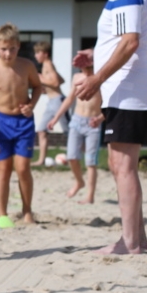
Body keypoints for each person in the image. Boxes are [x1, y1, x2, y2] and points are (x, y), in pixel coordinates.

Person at [73, 0, 147, 255]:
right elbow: (129, 40)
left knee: (123, 166)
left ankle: (130, 243)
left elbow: (130, 42)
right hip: (128, 89)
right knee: (120, 164)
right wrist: (95, 54)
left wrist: (96, 78)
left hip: (129, 89)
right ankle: (139, 239)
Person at [0, 23, 43, 223]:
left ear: (18, 47)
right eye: (3, 49)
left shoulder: (27, 66)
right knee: (3, 169)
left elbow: (38, 87)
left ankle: (27, 210)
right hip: (1, 123)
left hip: (23, 122)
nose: (8, 53)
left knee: (23, 168)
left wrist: (31, 104)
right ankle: (2, 213)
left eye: (12, 49)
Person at [49, 54, 102, 203]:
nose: (86, 70)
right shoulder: (77, 77)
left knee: (90, 162)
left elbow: (109, 104)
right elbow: (70, 99)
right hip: (77, 121)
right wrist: (56, 118)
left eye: (89, 67)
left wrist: (100, 119)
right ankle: (79, 181)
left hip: (93, 123)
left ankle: (89, 196)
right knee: (72, 157)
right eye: (84, 67)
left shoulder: (100, 79)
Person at [33, 40, 66, 165]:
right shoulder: (46, 65)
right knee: (41, 130)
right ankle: (41, 160)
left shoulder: (48, 64)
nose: (36, 56)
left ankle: (79, 157)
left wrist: (41, 79)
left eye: (37, 53)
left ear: (45, 54)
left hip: (58, 101)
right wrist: (46, 88)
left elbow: (56, 83)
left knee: (70, 131)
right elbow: (60, 80)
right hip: (51, 101)